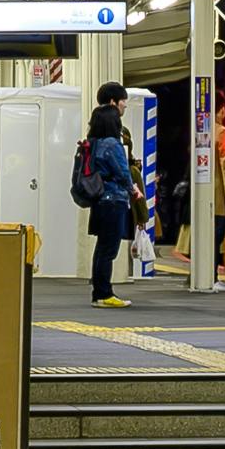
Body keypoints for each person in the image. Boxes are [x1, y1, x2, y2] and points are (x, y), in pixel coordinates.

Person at [85, 85, 144, 308]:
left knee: (102, 248)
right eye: (123, 101)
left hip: (100, 200)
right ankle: (104, 294)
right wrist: (134, 190)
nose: (125, 105)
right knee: (109, 249)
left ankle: (100, 292)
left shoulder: (95, 141)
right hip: (113, 200)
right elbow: (122, 172)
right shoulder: (112, 144)